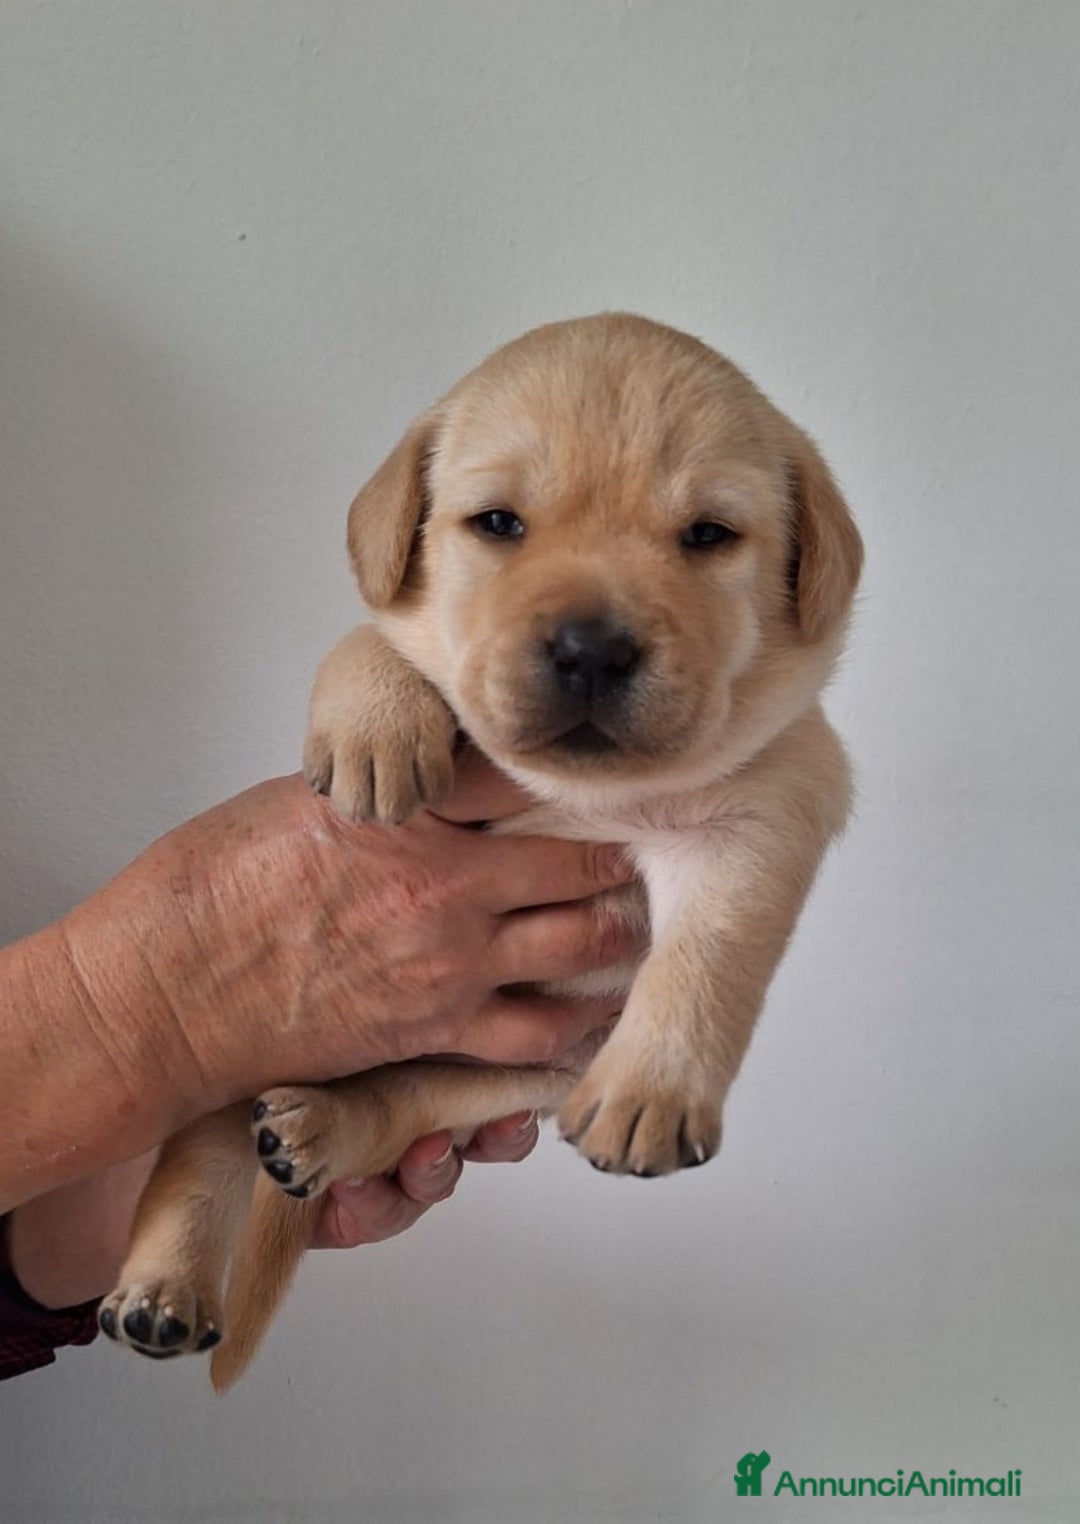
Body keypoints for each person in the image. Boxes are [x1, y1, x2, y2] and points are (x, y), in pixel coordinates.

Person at [0, 750, 635, 1377]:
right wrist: (171, 1008)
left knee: (321, 1117)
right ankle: (188, 1244)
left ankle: (185, 1246)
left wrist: (84, 1221)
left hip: (519, 1046)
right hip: (482, 1018)